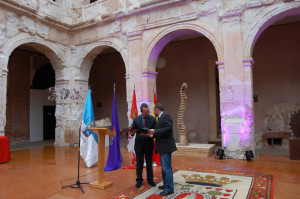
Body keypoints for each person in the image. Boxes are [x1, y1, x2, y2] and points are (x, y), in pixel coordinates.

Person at [148, 103, 177, 196]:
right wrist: (152, 135)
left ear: (157, 109)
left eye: (154, 110)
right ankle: (166, 184)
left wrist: (155, 131)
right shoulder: (161, 118)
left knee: (167, 168)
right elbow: (162, 131)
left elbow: (168, 128)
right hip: (162, 147)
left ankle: (169, 189)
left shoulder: (166, 116)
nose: (153, 112)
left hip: (166, 147)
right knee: (164, 168)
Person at [131, 103, 157, 188]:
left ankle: (150, 180)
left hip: (149, 144)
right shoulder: (136, 119)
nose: (147, 113)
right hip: (139, 145)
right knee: (139, 164)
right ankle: (139, 180)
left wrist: (150, 133)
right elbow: (133, 131)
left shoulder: (153, 119)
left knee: (149, 163)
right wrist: (131, 131)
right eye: (145, 112)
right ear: (141, 111)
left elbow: (155, 130)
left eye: (148, 111)